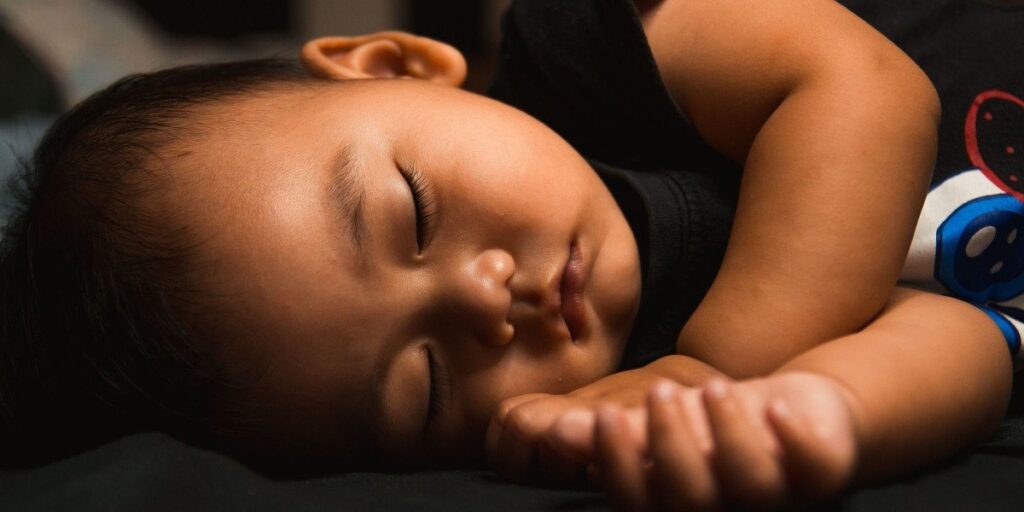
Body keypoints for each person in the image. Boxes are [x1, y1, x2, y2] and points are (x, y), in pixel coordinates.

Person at [0, 0, 1015, 509]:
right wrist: (791, 419)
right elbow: (971, 347)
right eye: (426, 381)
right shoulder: (616, 412)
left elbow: (861, 85)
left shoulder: (595, 55)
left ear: (394, 64)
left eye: (413, 210)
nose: (486, 299)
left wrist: (723, 365)